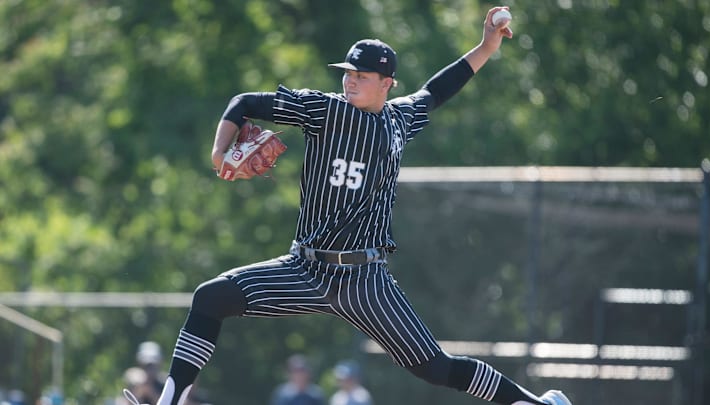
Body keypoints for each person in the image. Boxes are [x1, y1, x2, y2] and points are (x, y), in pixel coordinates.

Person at [122, 6, 572, 405]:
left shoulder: (399, 119)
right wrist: (219, 152)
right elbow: (244, 103)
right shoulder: (323, 110)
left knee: (434, 367)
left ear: (386, 83)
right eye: (347, 72)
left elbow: (439, 88)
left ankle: (534, 403)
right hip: (305, 270)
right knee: (210, 297)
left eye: (361, 75)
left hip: (365, 279)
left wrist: (486, 45)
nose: (350, 79)